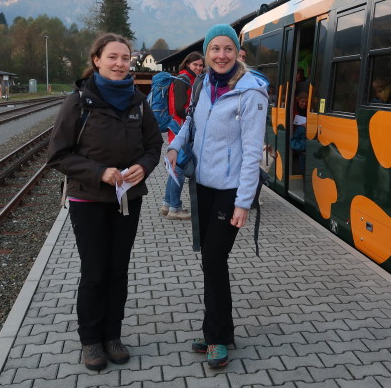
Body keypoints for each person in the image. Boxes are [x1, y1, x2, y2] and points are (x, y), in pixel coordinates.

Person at [47, 33, 163, 371]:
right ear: (97, 59)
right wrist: (100, 172)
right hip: (88, 199)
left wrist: (144, 166)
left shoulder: (138, 102)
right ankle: (91, 341)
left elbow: (153, 145)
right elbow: (58, 156)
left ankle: (113, 336)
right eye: (113, 57)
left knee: (118, 270)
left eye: (125, 58)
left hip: (128, 199)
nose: (120, 64)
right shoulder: (79, 102)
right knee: (95, 271)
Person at [167, 24, 268, 368]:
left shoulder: (251, 93)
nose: (221, 55)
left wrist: (243, 202)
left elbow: (254, 152)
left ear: (238, 53)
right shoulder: (202, 85)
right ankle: (220, 331)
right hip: (204, 186)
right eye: (214, 49)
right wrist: (175, 145)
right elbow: (191, 123)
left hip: (230, 193)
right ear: (207, 54)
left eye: (228, 49)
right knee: (211, 261)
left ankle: (217, 337)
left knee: (213, 259)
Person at [161, 52, 204, 220]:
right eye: (195, 65)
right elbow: (180, 108)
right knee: (179, 168)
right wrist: (196, 114)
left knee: (175, 168)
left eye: (200, 65)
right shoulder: (183, 80)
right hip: (180, 128)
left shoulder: (187, 79)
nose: (198, 68)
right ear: (187, 64)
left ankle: (167, 204)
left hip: (178, 128)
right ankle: (175, 208)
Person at [291, 92, 308, 174]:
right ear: (298, 101)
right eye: (302, 102)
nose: (304, 104)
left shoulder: (308, 111)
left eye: (306, 102)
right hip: (296, 136)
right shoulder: (293, 111)